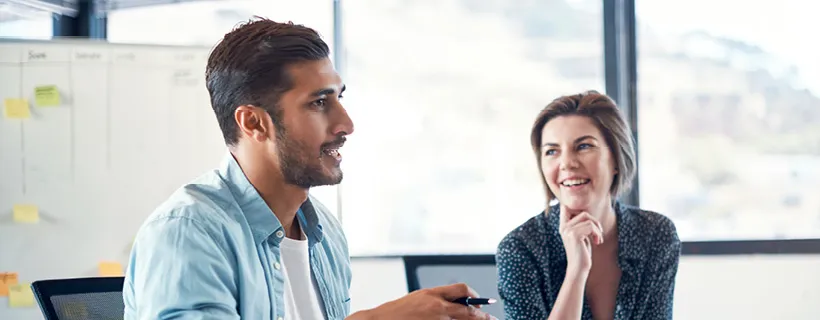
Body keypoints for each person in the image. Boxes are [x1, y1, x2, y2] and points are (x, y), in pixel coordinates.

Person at [123, 18, 495, 320]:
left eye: (339, 97)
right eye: (318, 103)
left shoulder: (324, 234)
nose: (345, 123)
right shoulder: (188, 232)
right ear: (253, 123)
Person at [495, 91, 681, 320]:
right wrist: (576, 271)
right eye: (552, 151)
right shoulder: (520, 249)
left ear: (616, 159)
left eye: (583, 146)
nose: (567, 163)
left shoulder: (655, 234)